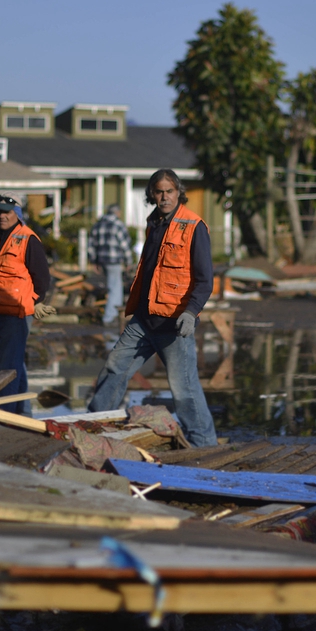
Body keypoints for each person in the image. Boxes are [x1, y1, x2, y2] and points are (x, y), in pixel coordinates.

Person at [88, 169, 218, 446]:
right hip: (144, 320)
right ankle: (93, 426)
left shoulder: (194, 226)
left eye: (169, 191)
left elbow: (206, 280)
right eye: (158, 192)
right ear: (152, 194)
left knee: (184, 390)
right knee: (114, 368)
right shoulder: (154, 223)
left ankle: (203, 443)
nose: (164, 197)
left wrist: (191, 312)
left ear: (178, 192)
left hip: (174, 323)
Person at [0, 191, 54, 416]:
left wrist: (32, 302)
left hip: (17, 313)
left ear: (18, 214)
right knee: (12, 363)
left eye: (7, 212)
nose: (2, 216)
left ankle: (6, 415)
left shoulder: (28, 238)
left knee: (7, 367)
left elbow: (42, 277)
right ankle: (22, 413)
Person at [87, 203, 135, 325]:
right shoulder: (118, 225)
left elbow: (91, 245)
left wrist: (94, 261)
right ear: (117, 212)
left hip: (102, 260)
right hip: (114, 261)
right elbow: (125, 245)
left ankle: (112, 314)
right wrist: (129, 261)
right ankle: (110, 317)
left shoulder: (98, 225)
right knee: (115, 288)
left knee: (111, 286)